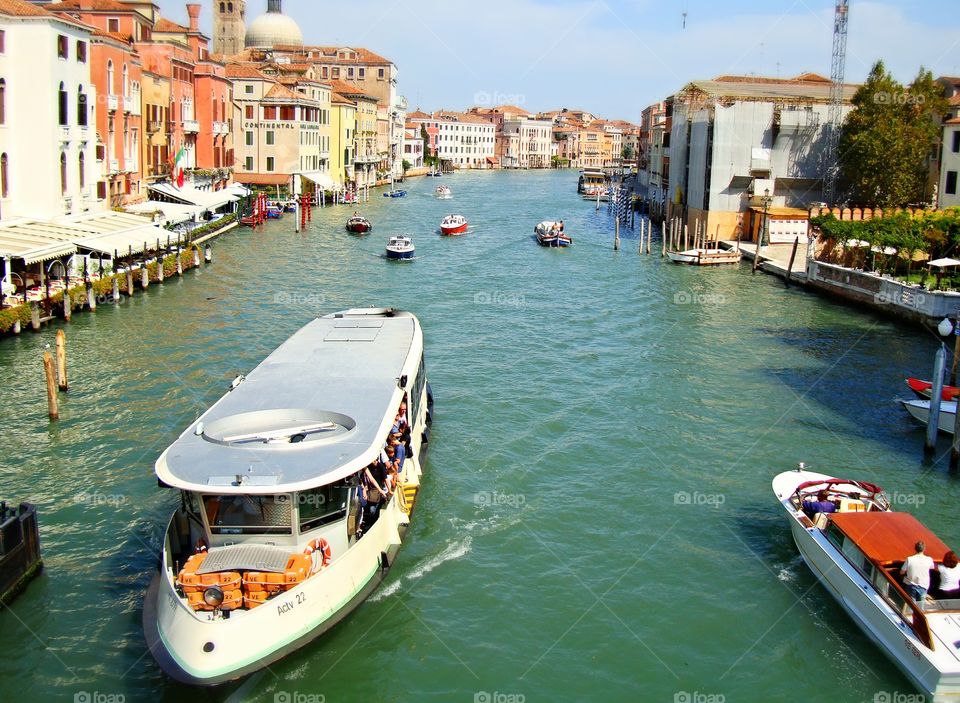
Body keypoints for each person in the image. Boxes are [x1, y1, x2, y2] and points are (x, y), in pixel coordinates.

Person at [901, 541, 935, 610]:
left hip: (911, 585)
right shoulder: (929, 559)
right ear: (924, 549)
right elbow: (932, 567)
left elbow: (901, 572)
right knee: (920, 607)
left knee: (911, 606)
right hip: (923, 585)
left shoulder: (909, 559)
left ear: (915, 548)